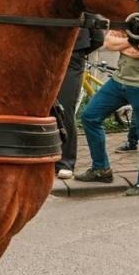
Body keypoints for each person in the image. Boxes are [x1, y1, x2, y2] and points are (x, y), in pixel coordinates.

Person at [75, 29, 139, 197]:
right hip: (118, 81)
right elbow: (108, 43)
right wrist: (133, 41)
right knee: (90, 117)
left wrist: (122, 43)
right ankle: (101, 169)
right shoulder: (128, 20)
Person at [50, 22, 102, 184]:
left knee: (65, 108)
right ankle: (45, 157)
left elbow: (98, 38)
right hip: (44, 52)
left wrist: (79, 52)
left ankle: (65, 162)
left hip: (72, 54)